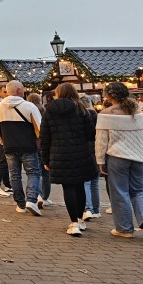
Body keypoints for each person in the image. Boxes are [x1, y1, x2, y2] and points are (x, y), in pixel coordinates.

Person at [96, 82, 143, 239]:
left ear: (109, 96)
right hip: (138, 156)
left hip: (117, 156)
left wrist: (100, 160)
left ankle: (124, 228)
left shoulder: (106, 113)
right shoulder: (136, 111)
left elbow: (102, 141)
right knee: (138, 190)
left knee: (120, 192)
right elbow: (142, 134)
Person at [40, 83, 97, 237]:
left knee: (68, 188)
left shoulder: (50, 110)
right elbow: (91, 134)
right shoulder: (81, 109)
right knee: (80, 185)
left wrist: (45, 158)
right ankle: (80, 219)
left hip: (59, 153)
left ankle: (73, 223)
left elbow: (45, 136)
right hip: (80, 152)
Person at [0, 80, 43, 216]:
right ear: (20, 91)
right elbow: (39, 128)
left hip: (9, 145)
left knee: (15, 175)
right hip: (28, 145)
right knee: (33, 173)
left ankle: (20, 204)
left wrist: (3, 142)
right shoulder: (30, 106)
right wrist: (39, 141)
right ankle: (31, 199)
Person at [27, 92, 54, 207]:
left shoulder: (27, 111)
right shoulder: (44, 110)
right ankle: (44, 196)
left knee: (34, 172)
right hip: (44, 144)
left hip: (32, 143)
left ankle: (36, 194)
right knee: (46, 172)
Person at [80, 95, 103, 219]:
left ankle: (87, 208)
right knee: (95, 182)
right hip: (96, 148)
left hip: (84, 150)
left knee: (85, 181)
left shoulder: (80, 116)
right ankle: (96, 209)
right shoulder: (97, 116)